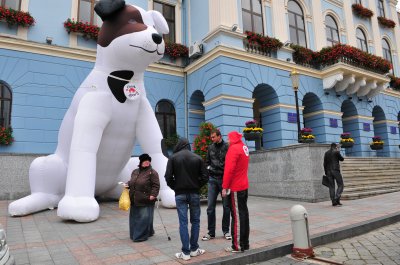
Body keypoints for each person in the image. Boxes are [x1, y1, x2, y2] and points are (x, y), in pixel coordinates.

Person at [164, 138, 208, 261]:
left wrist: (176, 187)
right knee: (196, 221)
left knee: (183, 223)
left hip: (180, 194)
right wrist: (196, 185)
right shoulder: (197, 158)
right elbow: (205, 177)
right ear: (188, 146)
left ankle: (186, 253)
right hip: (194, 193)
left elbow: (167, 177)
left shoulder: (173, 158)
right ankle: (194, 249)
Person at [222, 131, 250, 253]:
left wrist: (224, 187)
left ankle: (237, 245)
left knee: (237, 217)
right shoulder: (244, 147)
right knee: (244, 215)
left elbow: (229, 170)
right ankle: (245, 243)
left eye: (228, 139)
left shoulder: (233, 149)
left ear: (232, 139)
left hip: (236, 188)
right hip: (243, 185)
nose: (227, 141)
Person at [202, 129, 231, 241]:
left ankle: (226, 231)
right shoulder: (210, 147)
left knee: (226, 207)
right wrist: (209, 169)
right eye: (211, 137)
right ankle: (211, 232)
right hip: (213, 180)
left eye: (214, 137)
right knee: (210, 207)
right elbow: (207, 162)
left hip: (225, 180)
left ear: (219, 136)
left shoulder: (227, 147)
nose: (212, 139)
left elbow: (230, 162)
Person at [126, 154, 160, 242]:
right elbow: (132, 181)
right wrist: (127, 184)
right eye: (145, 161)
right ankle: (145, 232)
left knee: (143, 218)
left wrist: (153, 195)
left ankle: (139, 236)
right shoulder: (135, 171)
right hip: (134, 198)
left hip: (146, 199)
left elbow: (156, 185)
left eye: (148, 161)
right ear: (141, 162)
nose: (147, 163)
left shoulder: (152, 172)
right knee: (134, 218)